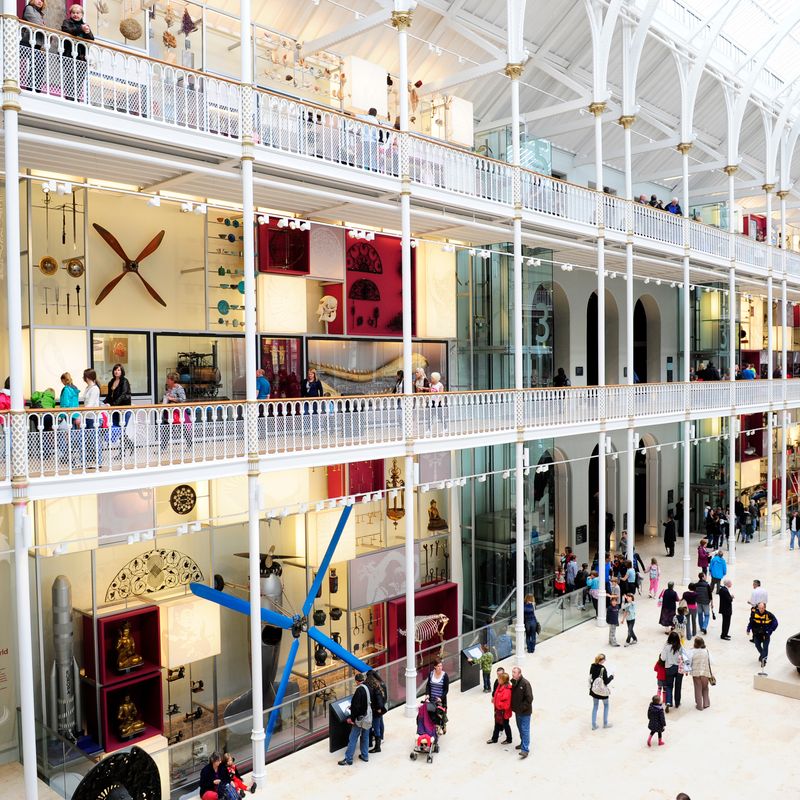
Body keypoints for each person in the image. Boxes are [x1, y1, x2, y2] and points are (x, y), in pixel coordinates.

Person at [337, 672, 371, 766]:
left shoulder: (359, 690)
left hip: (360, 719)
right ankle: (365, 756)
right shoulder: (367, 687)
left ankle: (348, 759)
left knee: (352, 738)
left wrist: (352, 719)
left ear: (356, 681)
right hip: (368, 717)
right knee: (365, 736)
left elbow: (356, 707)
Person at [747, 602, 778, 669]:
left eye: (762, 608)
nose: (761, 609)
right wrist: (748, 629)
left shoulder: (769, 615)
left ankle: (763, 661)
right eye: (760, 608)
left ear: (765, 608)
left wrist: (769, 631)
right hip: (757, 634)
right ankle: (762, 655)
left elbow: (775, 623)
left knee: (765, 647)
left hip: (765, 635)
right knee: (757, 645)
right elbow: (751, 622)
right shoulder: (754, 614)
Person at [510, 665, 533, 757]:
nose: (512, 674)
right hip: (517, 712)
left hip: (525, 712)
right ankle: (522, 743)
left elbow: (529, 698)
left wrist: (522, 708)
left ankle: (525, 750)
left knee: (525, 730)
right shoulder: (514, 682)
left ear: (519, 674)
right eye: (512, 672)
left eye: (514, 672)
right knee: (520, 729)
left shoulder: (525, 683)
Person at [486, 671, 513, 745]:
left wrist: (498, 705)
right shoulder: (500, 685)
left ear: (503, 680)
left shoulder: (507, 690)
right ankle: (494, 739)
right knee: (497, 724)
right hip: (498, 710)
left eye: (499, 679)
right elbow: (496, 694)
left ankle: (509, 739)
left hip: (503, 712)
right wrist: (494, 699)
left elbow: (506, 704)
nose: (498, 680)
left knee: (506, 725)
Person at [588, 653, 612, 730]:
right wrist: (612, 677)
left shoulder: (592, 666)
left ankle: (593, 725)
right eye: (604, 659)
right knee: (606, 705)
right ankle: (605, 723)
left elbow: (591, 676)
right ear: (602, 660)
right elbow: (606, 681)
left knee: (595, 706)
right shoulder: (603, 669)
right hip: (602, 691)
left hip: (594, 690)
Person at [365, 670, 387, 753]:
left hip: (376, 710)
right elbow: (384, 697)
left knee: (376, 727)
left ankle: (377, 746)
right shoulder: (381, 683)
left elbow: (377, 699)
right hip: (380, 709)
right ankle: (380, 739)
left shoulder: (374, 686)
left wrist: (377, 708)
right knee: (380, 724)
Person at [660, 631, 682, 711]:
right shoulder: (680, 647)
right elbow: (683, 657)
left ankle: (668, 702)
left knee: (669, 686)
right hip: (679, 668)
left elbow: (663, 658)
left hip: (669, 668)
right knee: (678, 686)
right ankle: (677, 702)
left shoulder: (666, 647)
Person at [690, 636, 713, 710]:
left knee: (697, 689)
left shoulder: (692, 651)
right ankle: (706, 703)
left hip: (696, 673)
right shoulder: (706, 651)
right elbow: (712, 661)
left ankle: (699, 706)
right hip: (705, 672)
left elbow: (689, 661)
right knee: (705, 688)